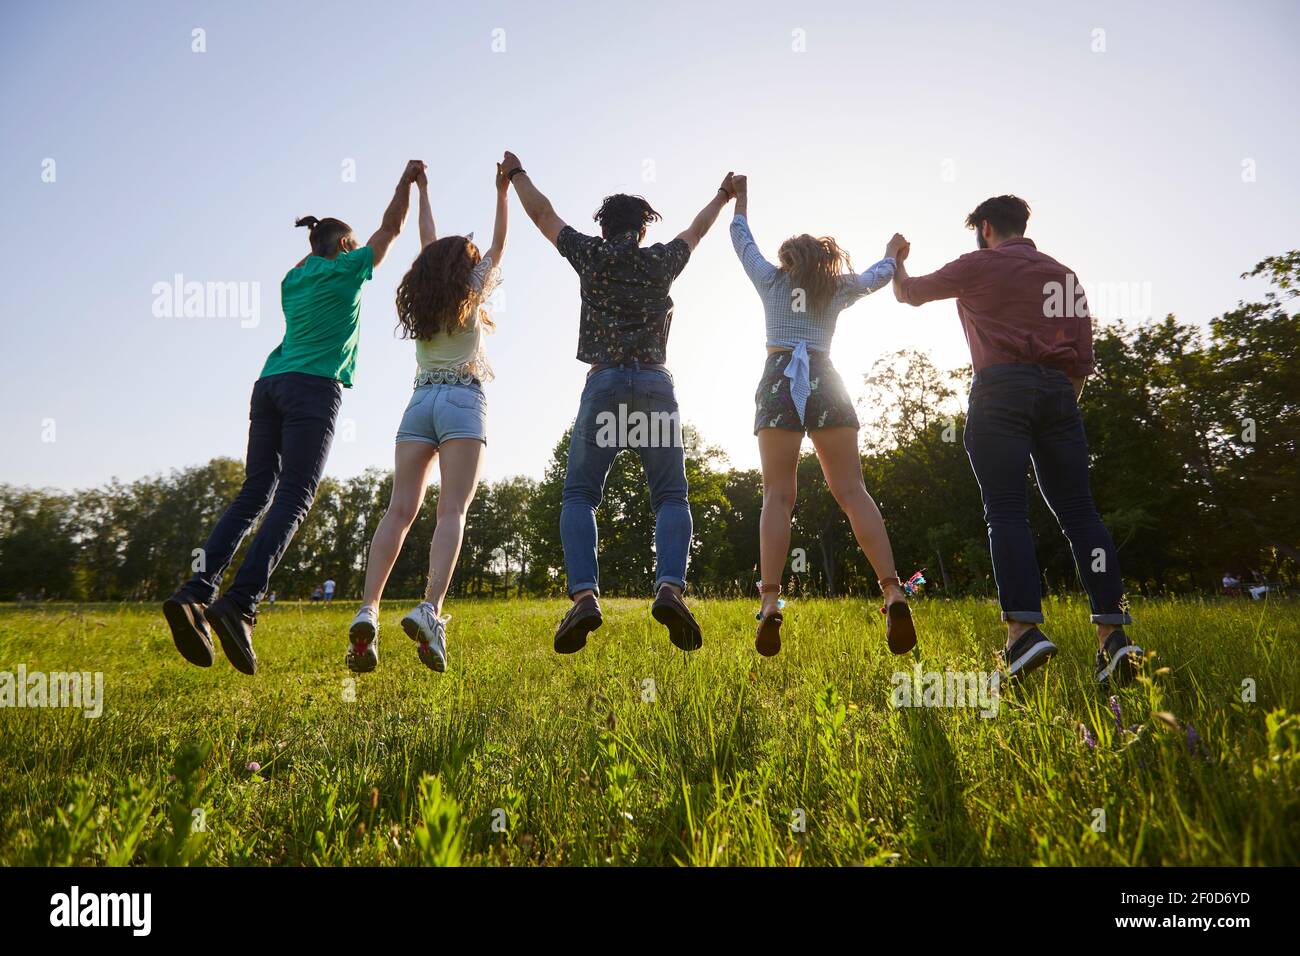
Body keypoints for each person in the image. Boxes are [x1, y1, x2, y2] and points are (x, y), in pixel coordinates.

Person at [161, 160, 425, 675]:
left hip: (269, 384)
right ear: (345, 248)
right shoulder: (347, 268)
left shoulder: (293, 277)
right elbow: (391, 229)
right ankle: (239, 604)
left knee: (254, 491)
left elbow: (366, 238)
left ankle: (196, 590)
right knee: (296, 495)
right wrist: (406, 182)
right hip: (311, 389)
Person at [893, 195, 1142, 685]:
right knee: (1081, 513)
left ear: (985, 227)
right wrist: (1056, 402)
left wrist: (897, 259)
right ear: (1023, 225)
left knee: (1006, 511)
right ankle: (1114, 639)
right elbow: (1082, 363)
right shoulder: (1064, 276)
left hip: (1000, 390)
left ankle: (1024, 632)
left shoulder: (979, 264)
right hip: (1059, 395)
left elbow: (910, 295)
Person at [502, 149, 733, 653]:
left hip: (604, 385)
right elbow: (697, 230)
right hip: (653, 385)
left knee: (581, 495)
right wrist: (723, 194)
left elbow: (542, 215)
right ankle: (670, 589)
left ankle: (584, 597)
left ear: (604, 229)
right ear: (643, 231)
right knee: (670, 496)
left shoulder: (591, 254)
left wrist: (516, 173)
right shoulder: (660, 260)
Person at [729, 174, 916, 657]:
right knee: (852, 491)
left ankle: (770, 602)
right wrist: (894, 254)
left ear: (787, 259)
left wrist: (740, 200)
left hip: (778, 381)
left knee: (778, 494)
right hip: (826, 380)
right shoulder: (836, 288)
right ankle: (892, 589)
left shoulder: (770, 280)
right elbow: (878, 275)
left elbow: (740, 239)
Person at [346, 161, 509, 674]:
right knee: (451, 511)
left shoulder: (426, 294)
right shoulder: (472, 289)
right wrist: (502, 192)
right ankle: (430, 609)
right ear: (467, 266)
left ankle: (368, 608)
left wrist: (422, 189)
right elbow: (501, 243)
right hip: (462, 400)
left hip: (418, 404)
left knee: (399, 512)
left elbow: (427, 242)